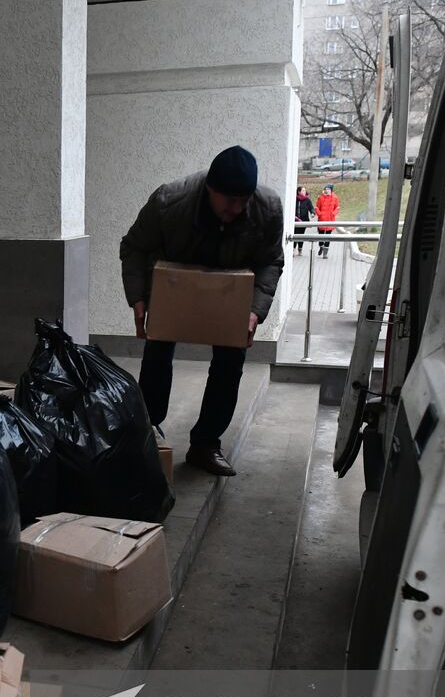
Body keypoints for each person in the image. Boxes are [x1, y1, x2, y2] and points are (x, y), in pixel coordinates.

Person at [120, 145, 284, 477]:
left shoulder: (267, 208)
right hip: (175, 289)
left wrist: (254, 311)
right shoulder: (169, 202)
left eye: (243, 200)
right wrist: (138, 300)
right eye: (228, 200)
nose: (237, 208)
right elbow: (134, 247)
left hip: (228, 295)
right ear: (210, 187)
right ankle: (148, 432)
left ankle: (206, 444)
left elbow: (270, 262)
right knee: (157, 353)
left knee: (230, 361)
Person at [315, 183, 340, 257]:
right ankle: (321, 246)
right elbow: (317, 208)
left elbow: (337, 208)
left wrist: (333, 213)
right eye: (326, 189)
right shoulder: (321, 198)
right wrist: (320, 214)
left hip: (330, 220)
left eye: (328, 189)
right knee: (321, 236)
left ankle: (325, 254)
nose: (327, 190)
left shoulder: (335, 198)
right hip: (321, 220)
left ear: (331, 190)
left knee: (328, 237)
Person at [293, 186, 314, 256]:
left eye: (305, 191)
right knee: (294, 234)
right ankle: (293, 249)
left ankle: (300, 249)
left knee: (301, 235)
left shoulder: (307, 200)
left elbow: (311, 208)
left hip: (303, 221)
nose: (304, 192)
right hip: (295, 220)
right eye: (303, 190)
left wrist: (312, 213)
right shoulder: (294, 199)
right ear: (299, 192)